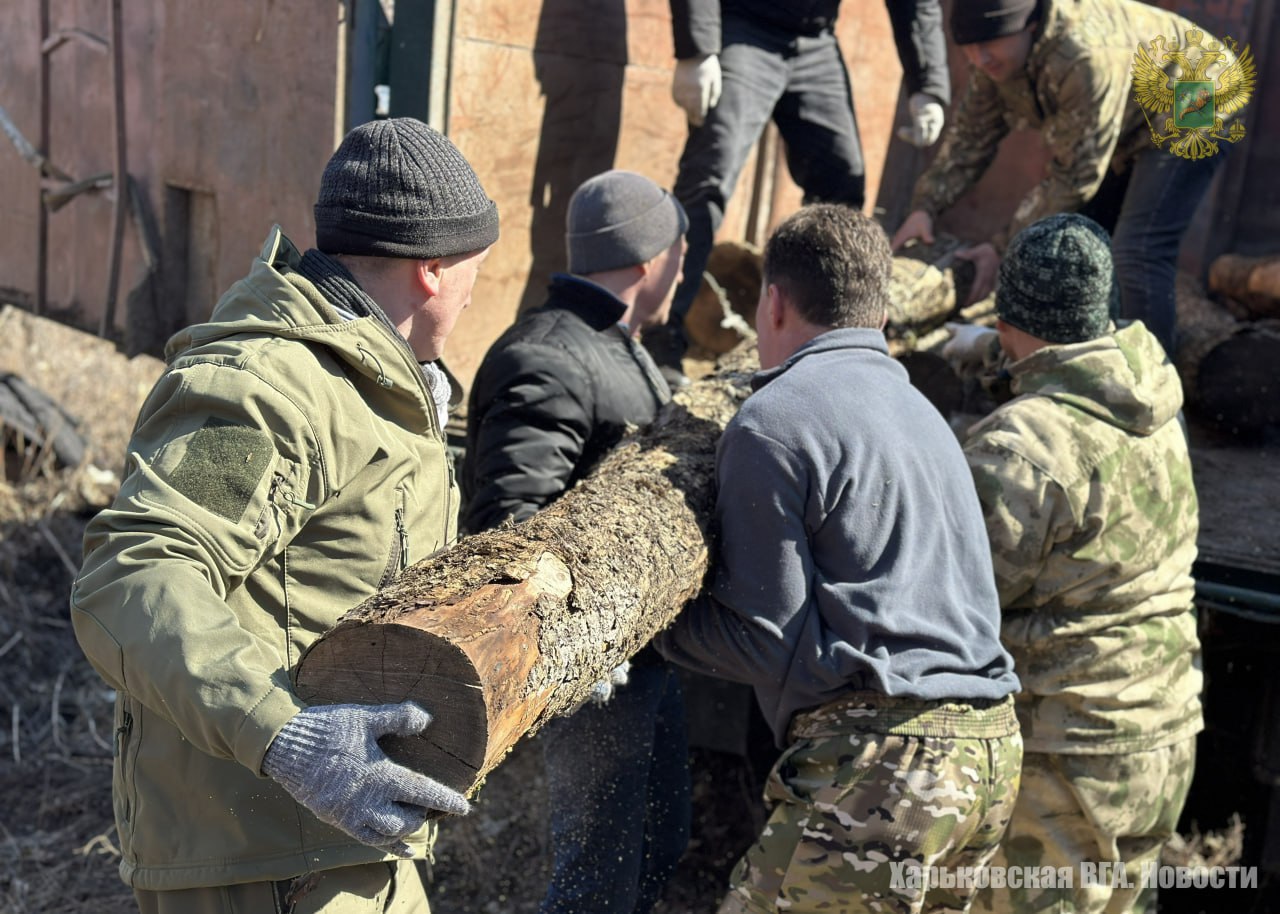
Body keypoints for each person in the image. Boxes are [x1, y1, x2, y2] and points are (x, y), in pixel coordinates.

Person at [69, 117, 499, 913]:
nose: (480, 291)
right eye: (478, 268)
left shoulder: (382, 383)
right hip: (262, 863)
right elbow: (132, 577)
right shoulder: (264, 389)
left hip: (348, 834)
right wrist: (283, 736)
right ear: (434, 271)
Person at [654, 203, 1023, 914]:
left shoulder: (774, 422)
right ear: (881, 313)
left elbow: (764, 642)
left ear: (773, 301)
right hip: (992, 754)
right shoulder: (919, 411)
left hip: (887, 764)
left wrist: (644, 627)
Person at [462, 169, 691, 914]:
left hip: (641, 655)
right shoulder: (550, 356)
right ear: (653, 262)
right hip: (595, 677)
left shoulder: (612, 342)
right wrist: (572, 649)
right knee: (596, 872)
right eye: (680, 261)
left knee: (658, 842)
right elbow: (509, 522)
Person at [961, 214, 1202, 914]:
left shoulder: (1022, 446)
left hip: (1069, 755)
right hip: (1164, 733)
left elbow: (962, 605)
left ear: (1009, 316)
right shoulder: (1155, 402)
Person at [891, 0, 1243, 354]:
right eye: (968, 46)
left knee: (1139, 249)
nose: (979, 58)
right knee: (1087, 233)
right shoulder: (995, 57)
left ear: (1029, 27)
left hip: (1200, 88)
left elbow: (1075, 177)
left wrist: (1002, 249)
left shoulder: (1083, 58)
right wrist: (925, 207)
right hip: (1136, 113)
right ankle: (1084, 360)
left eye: (989, 45)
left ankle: (1151, 392)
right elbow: (971, 137)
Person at [648, 0, 952, 378]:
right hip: (743, 24)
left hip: (816, 38)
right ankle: (659, 341)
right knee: (707, 179)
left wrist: (928, 85)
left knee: (843, 187)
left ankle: (829, 345)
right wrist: (697, 47)